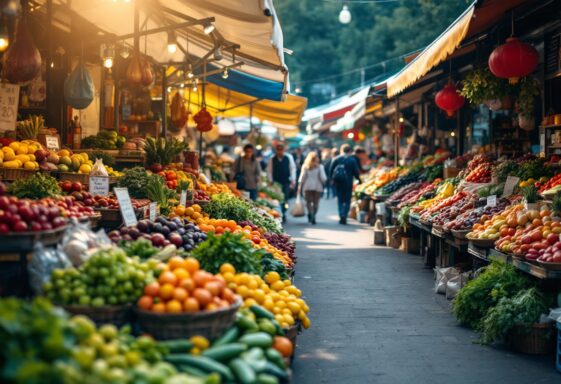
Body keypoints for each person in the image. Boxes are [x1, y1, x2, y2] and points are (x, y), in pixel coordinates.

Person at [329, 144, 361, 225]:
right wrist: (359, 180)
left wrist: (331, 180)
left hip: (338, 182)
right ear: (350, 151)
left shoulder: (336, 158)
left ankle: (341, 215)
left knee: (340, 199)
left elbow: (331, 170)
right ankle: (344, 215)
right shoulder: (352, 160)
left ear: (342, 150)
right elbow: (356, 172)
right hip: (348, 182)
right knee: (347, 200)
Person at [267, 143, 297, 222]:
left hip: (286, 181)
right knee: (277, 198)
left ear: (284, 150)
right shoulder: (272, 158)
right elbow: (269, 170)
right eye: (278, 150)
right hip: (276, 182)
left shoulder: (288, 157)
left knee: (285, 198)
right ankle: (279, 213)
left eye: (281, 150)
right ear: (276, 150)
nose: (280, 151)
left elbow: (292, 169)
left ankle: (284, 212)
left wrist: (293, 179)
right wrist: (270, 180)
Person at [298, 152, 327, 224]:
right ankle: (313, 214)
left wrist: (299, 184)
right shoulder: (320, 167)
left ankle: (310, 213)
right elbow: (323, 178)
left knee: (308, 202)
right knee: (316, 203)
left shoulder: (305, 166)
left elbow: (302, 177)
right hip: (317, 187)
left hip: (307, 187)